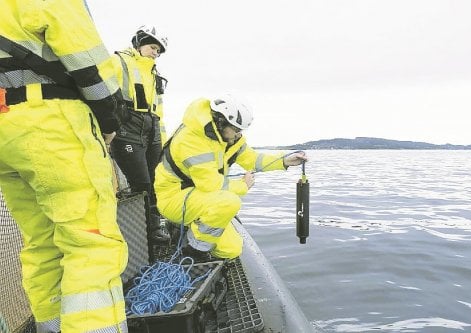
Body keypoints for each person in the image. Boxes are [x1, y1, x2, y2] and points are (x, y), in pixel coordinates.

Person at [0, 1, 128, 332]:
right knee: (90, 241)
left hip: (5, 135)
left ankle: (50, 327)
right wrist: (110, 119)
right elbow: (91, 66)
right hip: (49, 124)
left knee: (42, 242)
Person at [154, 96, 308, 260]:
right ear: (221, 122)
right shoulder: (191, 140)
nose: (238, 135)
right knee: (229, 201)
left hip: (199, 197)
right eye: (236, 130)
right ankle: (195, 252)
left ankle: (186, 229)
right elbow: (211, 185)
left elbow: (253, 160)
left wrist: (284, 160)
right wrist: (243, 185)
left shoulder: (228, 137)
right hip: (174, 198)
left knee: (232, 250)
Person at [110, 25, 171, 243]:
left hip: (151, 130)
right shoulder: (118, 61)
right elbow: (101, 89)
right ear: (139, 42)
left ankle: (156, 226)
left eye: (159, 51)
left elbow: (159, 111)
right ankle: (146, 232)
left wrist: (160, 141)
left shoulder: (155, 74)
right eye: (153, 47)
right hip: (127, 128)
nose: (156, 52)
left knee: (157, 180)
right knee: (142, 183)